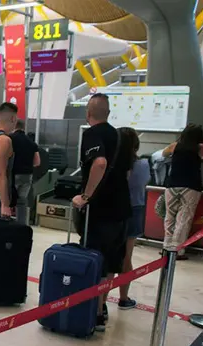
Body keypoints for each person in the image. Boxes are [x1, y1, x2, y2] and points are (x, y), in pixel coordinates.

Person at [72, 93, 133, 332]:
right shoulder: (120, 136)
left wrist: (86, 196)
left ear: (88, 114)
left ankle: (94, 314)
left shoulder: (92, 134)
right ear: (108, 113)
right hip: (121, 208)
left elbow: (99, 163)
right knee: (110, 263)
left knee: (94, 258)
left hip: (101, 210)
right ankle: (101, 307)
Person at [161, 124, 203, 260]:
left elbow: (163, 153)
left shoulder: (175, 145)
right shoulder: (200, 148)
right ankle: (177, 250)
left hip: (172, 185)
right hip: (191, 187)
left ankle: (166, 248)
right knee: (183, 218)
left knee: (170, 217)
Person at [119, 127, 148, 310]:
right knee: (127, 256)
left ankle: (101, 301)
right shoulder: (143, 165)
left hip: (115, 210)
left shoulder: (113, 164)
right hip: (135, 209)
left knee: (111, 255)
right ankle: (124, 298)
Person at [10, 119, 40, 225]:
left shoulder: (9, 139)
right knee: (22, 201)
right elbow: (37, 162)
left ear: (14, 126)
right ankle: (21, 225)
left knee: (7, 199)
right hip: (27, 175)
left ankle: (5, 223)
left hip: (13, 175)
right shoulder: (31, 142)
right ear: (24, 127)